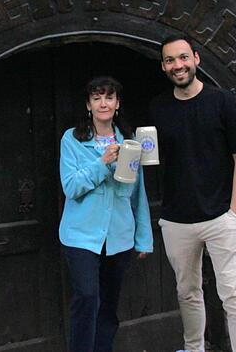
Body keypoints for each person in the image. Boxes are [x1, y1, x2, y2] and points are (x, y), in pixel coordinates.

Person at [149, 36, 236, 352]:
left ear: (196, 59)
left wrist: (234, 212)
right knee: (187, 293)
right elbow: (150, 155)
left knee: (235, 295)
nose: (177, 65)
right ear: (164, 66)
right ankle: (194, 348)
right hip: (177, 220)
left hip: (220, 216)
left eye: (183, 57)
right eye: (170, 60)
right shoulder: (158, 107)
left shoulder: (221, 101)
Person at [58, 76, 154, 352]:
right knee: (87, 298)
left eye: (109, 97)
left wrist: (143, 238)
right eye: (97, 98)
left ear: (117, 103)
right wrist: (102, 163)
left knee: (109, 305)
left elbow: (138, 193)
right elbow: (71, 186)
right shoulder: (73, 139)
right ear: (88, 105)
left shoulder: (131, 142)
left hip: (119, 237)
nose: (103, 103)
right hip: (80, 236)